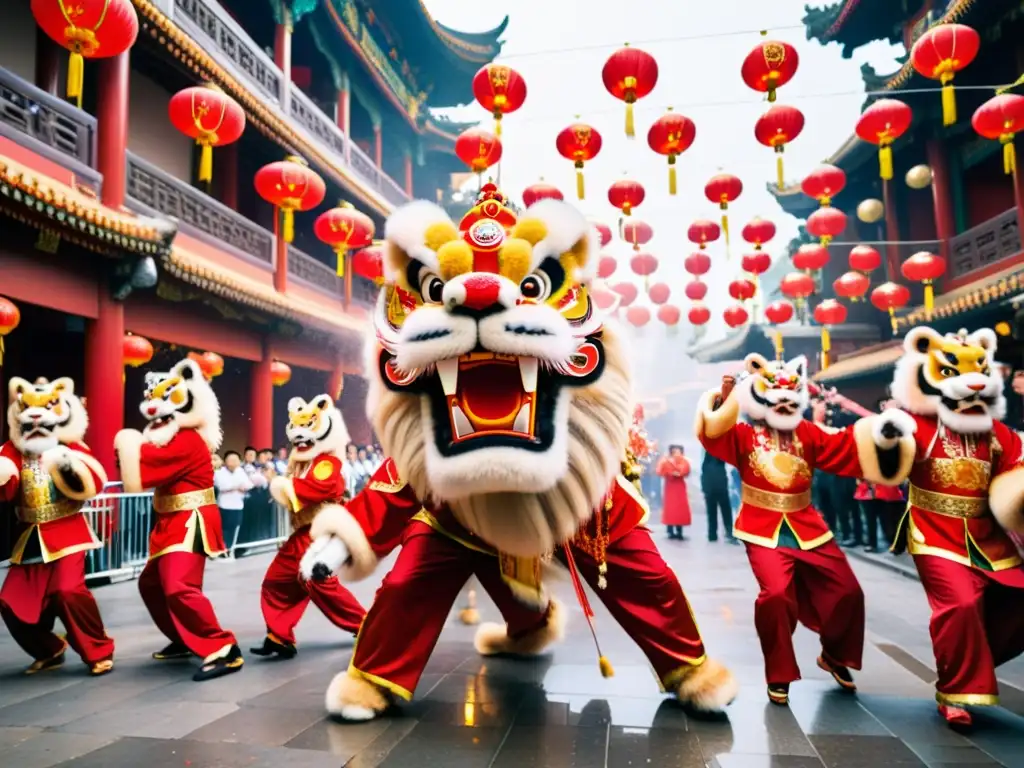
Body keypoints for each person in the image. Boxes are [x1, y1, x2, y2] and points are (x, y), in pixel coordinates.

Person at [301, 186, 737, 721]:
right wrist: (338, 544)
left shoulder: (581, 428)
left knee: (642, 575)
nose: (481, 294)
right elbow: (395, 482)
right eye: (439, 287)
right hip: (457, 505)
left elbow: (647, 576)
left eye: (528, 284)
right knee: (409, 581)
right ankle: (374, 680)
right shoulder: (434, 414)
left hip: (569, 500)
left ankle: (689, 668)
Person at [697, 355, 915, 706]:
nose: (783, 401)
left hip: (806, 523)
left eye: (790, 394)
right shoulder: (742, 435)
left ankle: (834, 654)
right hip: (761, 525)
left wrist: (883, 435)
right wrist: (726, 397)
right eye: (775, 395)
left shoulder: (808, 433)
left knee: (848, 592)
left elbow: (845, 448)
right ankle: (779, 673)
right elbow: (713, 432)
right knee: (776, 597)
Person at [889, 326, 1024, 728]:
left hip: (988, 537)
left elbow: (1016, 468)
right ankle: (954, 689)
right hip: (933, 531)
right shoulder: (916, 424)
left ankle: (968, 659)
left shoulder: (995, 432)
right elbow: (886, 463)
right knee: (961, 603)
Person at [114, 358, 243, 681]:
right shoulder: (173, 437)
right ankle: (185, 636)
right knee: (152, 585)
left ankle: (222, 647)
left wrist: (128, 445)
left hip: (189, 520)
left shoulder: (186, 440)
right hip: (169, 520)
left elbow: (143, 470)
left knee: (178, 587)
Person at [0, 377, 114, 676]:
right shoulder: (12, 450)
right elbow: (7, 489)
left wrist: (68, 467)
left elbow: (95, 482)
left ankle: (98, 649)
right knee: (10, 603)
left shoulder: (72, 446)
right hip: (30, 537)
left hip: (68, 532)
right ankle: (49, 648)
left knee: (67, 591)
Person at [252, 394, 366, 658]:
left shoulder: (328, 461)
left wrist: (281, 484)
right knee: (276, 581)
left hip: (320, 530)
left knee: (319, 583)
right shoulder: (304, 460)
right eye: (297, 428)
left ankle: (367, 625)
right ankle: (279, 635)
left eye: (308, 428)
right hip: (303, 532)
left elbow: (317, 488)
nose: (300, 435)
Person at [214, 451, 251, 559]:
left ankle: (233, 550)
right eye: (231, 460)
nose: (234, 462)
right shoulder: (219, 472)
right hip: (225, 505)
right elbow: (222, 486)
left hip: (238, 504)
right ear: (226, 461)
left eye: (236, 460)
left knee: (236, 528)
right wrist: (236, 487)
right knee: (225, 529)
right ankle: (223, 551)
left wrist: (240, 487)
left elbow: (248, 484)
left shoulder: (240, 471)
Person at [657, 444, 692, 540]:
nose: (676, 454)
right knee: (670, 509)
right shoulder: (666, 461)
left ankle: (679, 530)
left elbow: (685, 470)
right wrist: (672, 471)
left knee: (680, 509)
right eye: (674, 452)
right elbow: (660, 471)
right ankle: (670, 530)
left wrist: (675, 471)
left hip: (679, 487)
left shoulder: (684, 461)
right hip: (670, 487)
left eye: (678, 452)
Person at [701, 449, 735, 543]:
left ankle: (712, 535)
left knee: (712, 513)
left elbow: (703, 478)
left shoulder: (706, 465)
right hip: (721, 490)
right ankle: (729, 532)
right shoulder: (720, 463)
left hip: (711, 492)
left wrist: (705, 490)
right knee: (726, 513)